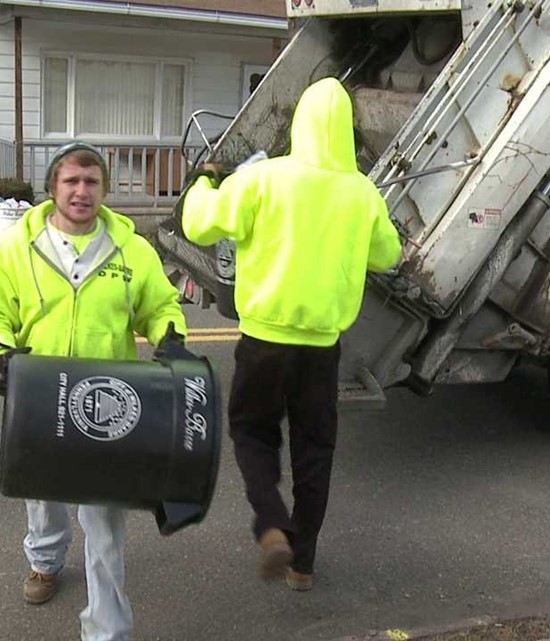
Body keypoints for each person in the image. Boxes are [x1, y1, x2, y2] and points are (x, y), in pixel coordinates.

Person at [180, 77, 402, 592]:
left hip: (263, 340)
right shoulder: (362, 192)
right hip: (321, 348)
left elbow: (200, 225)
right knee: (314, 449)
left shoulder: (262, 179)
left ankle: (271, 524)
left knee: (253, 433)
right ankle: (303, 563)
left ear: (299, 122)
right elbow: (388, 256)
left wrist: (204, 182)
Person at [0, 141, 188, 640]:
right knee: (42, 496)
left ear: (105, 190)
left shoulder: (132, 251)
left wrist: (169, 334)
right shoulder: (12, 249)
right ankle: (44, 560)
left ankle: (106, 631)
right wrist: (0, 352)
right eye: (71, 181)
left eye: (91, 182)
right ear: (52, 189)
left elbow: (159, 306)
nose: (81, 192)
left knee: (105, 523)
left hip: (108, 406)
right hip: (40, 397)